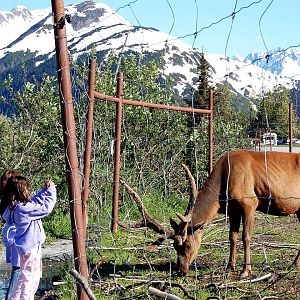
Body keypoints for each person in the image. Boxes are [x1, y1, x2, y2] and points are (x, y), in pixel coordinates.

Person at [2, 175, 57, 300]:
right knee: (30, 279)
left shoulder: (13, 206)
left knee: (24, 277)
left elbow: (33, 201)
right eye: (26, 188)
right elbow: (46, 208)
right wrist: (52, 191)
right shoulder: (23, 209)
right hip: (31, 248)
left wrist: (44, 191)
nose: (28, 191)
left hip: (25, 248)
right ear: (22, 191)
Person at [0, 170, 22, 300]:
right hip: (19, 242)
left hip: (15, 243)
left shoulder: (7, 205)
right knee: (18, 270)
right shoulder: (16, 206)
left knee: (18, 269)